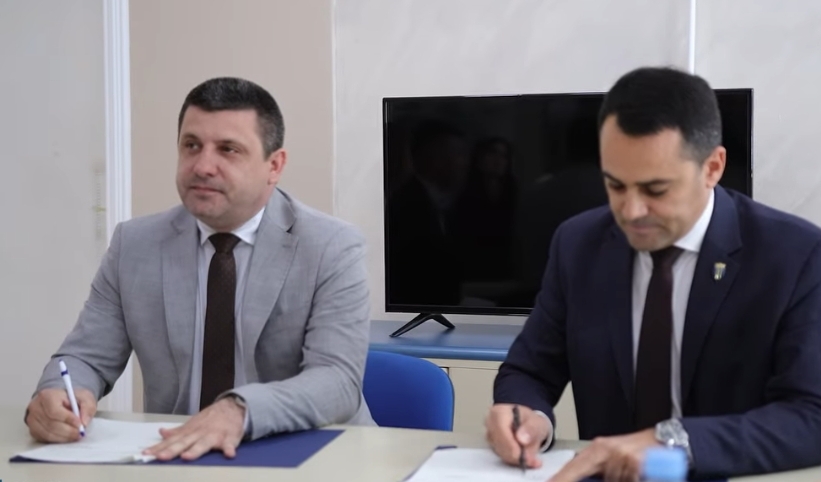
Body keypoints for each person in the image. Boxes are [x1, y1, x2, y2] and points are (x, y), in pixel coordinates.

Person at [485, 66, 821, 481]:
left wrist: (673, 442)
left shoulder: (794, 256)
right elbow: (530, 370)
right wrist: (527, 416)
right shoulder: (579, 245)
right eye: (615, 185)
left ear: (713, 167)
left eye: (655, 190)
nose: (631, 211)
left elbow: (811, 415)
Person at [25, 77, 374, 461]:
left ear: (274, 166)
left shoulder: (330, 246)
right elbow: (85, 357)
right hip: (180, 456)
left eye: (228, 150)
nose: (203, 166)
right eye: (191, 145)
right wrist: (58, 394)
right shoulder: (135, 245)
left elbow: (337, 381)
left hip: (309, 456)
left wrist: (239, 410)